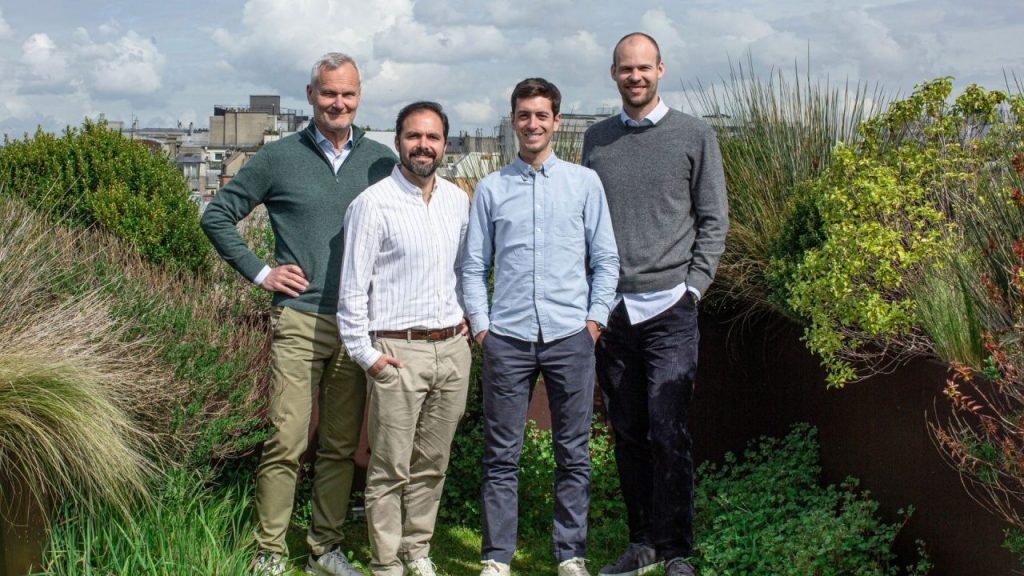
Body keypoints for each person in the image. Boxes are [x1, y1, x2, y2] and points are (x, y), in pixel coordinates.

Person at [200, 52, 396, 576]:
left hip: (358, 323)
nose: (339, 103)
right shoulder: (278, 158)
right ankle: (268, 551)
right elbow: (216, 214)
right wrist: (262, 272)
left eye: (348, 94)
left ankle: (324, 549)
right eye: (329, 93)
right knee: (286, 439)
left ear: (359, 98)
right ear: (311, 96)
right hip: (301, 319)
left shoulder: (381, 161)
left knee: (338, 445)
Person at [581, 32, 729, 576]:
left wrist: (693, 289)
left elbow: (714, 219)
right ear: (614, 73)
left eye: (644, 68)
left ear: (661, 70)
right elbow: (588, 223)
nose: (635, 77)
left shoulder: (695, 134)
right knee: (628, 431)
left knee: (670, 430)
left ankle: (676, 550)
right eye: (626, 69)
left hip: (671, 308)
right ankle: (641, 542)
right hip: (613, 312)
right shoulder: (595, 141)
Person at [463, 77, 620, 576]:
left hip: (570, 337)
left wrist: (594, 322)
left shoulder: (583, 184)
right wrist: (483, 329)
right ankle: (496, 556)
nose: (533, 123)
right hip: (506, 339)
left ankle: (570, 552)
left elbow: (607, 260)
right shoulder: (491, 189)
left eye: (541, 115)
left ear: (556, 120)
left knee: (573, 451)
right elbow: (473, 266)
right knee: (500, 454)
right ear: (513, 120)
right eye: (524, 115)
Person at [337, 101, 472, 576]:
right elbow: (352, 288)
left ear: (444, 144)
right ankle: (386, 562)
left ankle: (418, 551)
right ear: (398, 142)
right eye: (414, 136)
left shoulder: (458, 201)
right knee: (390, 466)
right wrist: (366, 355)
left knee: (433, 462)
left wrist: (468, 332)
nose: (423, 145)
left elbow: (463, 273)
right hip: (397, 351)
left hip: (452, 348)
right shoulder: (372, 204)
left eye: (433, 137)